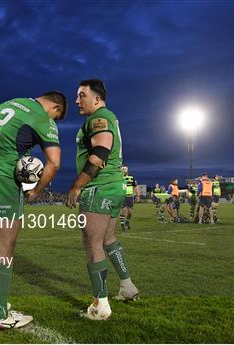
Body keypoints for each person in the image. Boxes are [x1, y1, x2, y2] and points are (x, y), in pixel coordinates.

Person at [0, 91, 66, 329]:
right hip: (1, 179)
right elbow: (54, 162)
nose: (54, 120)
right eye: (57, 116)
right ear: (55, 107)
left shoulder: (6, 104)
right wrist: (36, 190)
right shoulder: (42, 118)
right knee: (5, 247)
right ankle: (0, 316)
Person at [66, 79, 138, 321]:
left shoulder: (99, 118)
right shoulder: (108, 117)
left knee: (92, 242)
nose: (77, 100)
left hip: (100, 187)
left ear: (96, 98)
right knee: (108, 238)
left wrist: (77, 185)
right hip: (115, 186)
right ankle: (127, 287)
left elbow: (100, 153)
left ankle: (100, 305)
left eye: (81, 95)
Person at [119, 165, 140, 231]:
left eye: (125, 169)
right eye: (122, 169)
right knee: (124, 210)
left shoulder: (131, 178)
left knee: (130, 213)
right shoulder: (118, 178)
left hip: (130, 196)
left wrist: (137, 195)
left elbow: (136, 187)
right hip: (122, 196)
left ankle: (127, 222)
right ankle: (122, 225)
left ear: (127, 170)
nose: (124, 170)